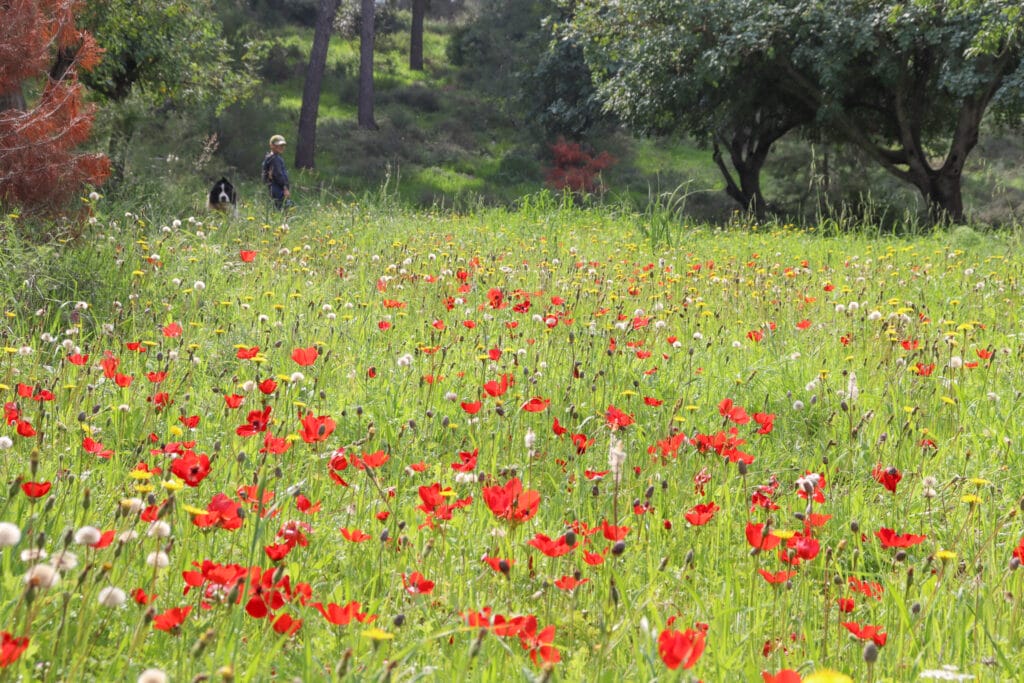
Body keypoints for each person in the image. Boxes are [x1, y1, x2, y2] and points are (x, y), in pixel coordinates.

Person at [261, 134, 291, 209]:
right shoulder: (275, 159)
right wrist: (285, 188)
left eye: (283, 145)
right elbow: (278, 175)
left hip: (272, 187)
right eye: (279, 145)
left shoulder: (269, 157)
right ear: (272, 146)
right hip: (277, 188)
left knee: (275, 207)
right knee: (283, 208)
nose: (282, 147)